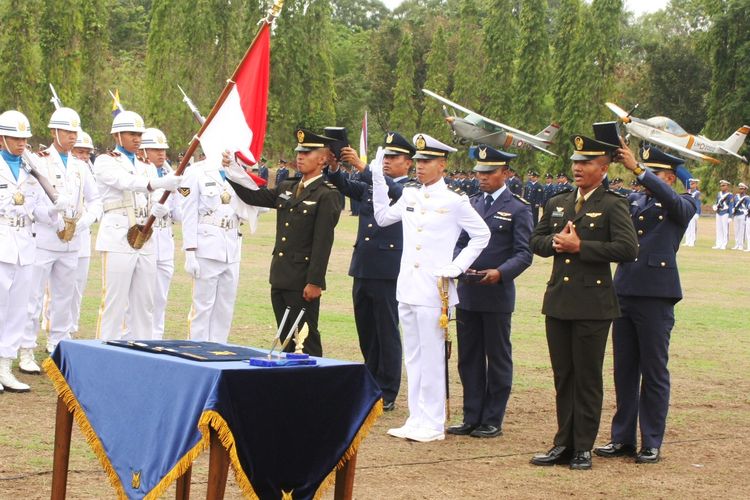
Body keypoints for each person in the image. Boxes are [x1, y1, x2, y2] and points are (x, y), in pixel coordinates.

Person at [372, 133, 490, 443]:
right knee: (413, 355)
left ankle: (434, 422)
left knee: (433, 356)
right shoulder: (410, 195)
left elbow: (481, 235)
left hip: (434, 290)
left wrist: (456, 266)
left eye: (427, 161)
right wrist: (376, 182)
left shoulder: (454, 201)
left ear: (442, 164)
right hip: (407, 287)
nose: (420, 166)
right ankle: (416, 418)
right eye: (419, 161)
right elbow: (383, 218)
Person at [529, 134, 638, 470]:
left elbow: (627, 249)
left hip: (593, 303)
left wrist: (582, 248)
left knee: (587, 377)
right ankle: (563, 443)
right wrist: (555, 243)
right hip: (559, 300)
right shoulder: (559, 201)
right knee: (564, 375)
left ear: (603, 169)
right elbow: (537, 239)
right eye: (575, 162)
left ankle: (583, 447)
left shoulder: (612, 204)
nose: (577, 168)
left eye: (586, 163)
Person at [595, 144, 695, 464]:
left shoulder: (685, 202)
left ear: (669, 178)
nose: (642, 182)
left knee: (653, 371)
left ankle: (651, 440)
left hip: (656, 294)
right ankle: (621, 438)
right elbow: (607, 197)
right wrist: (605, 164)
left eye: (654, 174)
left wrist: (639, 169)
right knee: (624, 370)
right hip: (624, 289)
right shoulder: (635, 200)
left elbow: (673, 202)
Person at [226, 129, 342, 356]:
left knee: (305, 338)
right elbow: (253, 197)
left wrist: (315, 282)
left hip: (302, 280)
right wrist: (232, 170)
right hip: (280, 275)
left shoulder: (327, 195)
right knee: (286, 336)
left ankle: (313, 387)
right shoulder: (287, 187)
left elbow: (323, 242)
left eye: (307, 152)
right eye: (299, 152)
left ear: (323, 159)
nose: (300, 156)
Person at [447, 145, 533, 439]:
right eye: (479, 171)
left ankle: (492, 418)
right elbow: (459, 243)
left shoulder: (518, 208)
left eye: (489, 172)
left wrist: (500, 273)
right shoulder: (470, 204)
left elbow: (524, 253)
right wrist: (459, 266)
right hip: (469, 292)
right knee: (468, 357)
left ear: (505, 173)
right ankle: (472, 415)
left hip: (496, 294)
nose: (481, 177)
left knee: (497, 358)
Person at [326, 131, 414, 411]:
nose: (387, 161)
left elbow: (395, 192)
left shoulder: (411, 187)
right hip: (364, 264)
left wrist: (367, 169)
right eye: (385, 156)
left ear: (409, 163)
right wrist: (335, 167)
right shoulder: (372, 183)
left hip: (389, 268)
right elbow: (345, 186)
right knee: (367, 328)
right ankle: (371, 381)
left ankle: (387, 389)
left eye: (394, 157)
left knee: (386, 330)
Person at [21, 108, 102, 369]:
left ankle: (58, 345)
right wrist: (53, 215)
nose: (72, 136)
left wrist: (84, 223)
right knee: (32, 297)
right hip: (44, 239)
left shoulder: (80, 166)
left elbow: (96, 200)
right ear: (54, 132)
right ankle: (26, 350)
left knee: (65, 298)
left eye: (74, 132)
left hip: (72, 242)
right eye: (67, 131)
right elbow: (31, 206)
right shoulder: (38, 161)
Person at [94, 111, 181, 340]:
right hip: (118, 235)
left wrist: (158, 208)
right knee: (114, 301)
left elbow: (152, 197)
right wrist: (157, 183)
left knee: (145, 302)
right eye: (131, 134)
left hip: (145, 237)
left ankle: (141, 349)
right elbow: (125, 182)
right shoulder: (105, 161)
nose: (136, 138)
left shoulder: (146, 164)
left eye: (139, 134)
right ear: (117, 135)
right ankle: (105, 352)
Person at [0, 111, 60, 392]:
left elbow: (35, 207)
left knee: (17, 309)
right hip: (1, 237)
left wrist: (54, 210)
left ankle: (5, 367)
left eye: (24, 137)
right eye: (15, 137)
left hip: (24, 241)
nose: (21, 142)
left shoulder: (29, 168)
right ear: (2, 138)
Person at [181, 150, 247, 343]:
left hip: (232, 247)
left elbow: (254, 207)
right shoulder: (196, 172)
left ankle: (218, 347)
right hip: (206, 247)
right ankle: (197, 349)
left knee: (225, 306)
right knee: (202, 306)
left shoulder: (237, 171)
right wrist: (190, 251)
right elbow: (189, 212)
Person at [140, 128, 181, 339]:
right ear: (144, 150)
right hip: (146, 238)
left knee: (160, 296)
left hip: (165, 239)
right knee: (142, 295)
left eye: (163, 149)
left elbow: (183, 208)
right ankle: (141, 336)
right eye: (156, 149)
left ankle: (156, 337)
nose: (161, 154)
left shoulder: (171, 175)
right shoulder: (138, 173)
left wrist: (172, 207)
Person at [68, 131, 97, 336]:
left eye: (87, 153)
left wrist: (87, 220)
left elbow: (97, 201)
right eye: (80, 151)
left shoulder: (90, 172)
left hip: (83, 235)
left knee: (78, 287)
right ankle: (54, 328)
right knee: (58, 289)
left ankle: (71, 328)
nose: (84, 156)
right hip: (61, 235)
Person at [712, 180, 733, 249]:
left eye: (723, 185)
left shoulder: (730, 195)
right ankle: (718, 243)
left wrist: (730, 216)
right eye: (721, 185)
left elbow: (731, 205)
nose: (722, 187)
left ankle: (724, 244)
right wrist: (715, 206)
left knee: (725, 229)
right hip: (718, 212)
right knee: (718, 229)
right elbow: (717, 202)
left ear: (727, 186)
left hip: (725, 213)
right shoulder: (719, 194)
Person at [683, 178, 701, 247]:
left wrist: (697, 213)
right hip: (688, 210)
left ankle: (692, 241)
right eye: (690, 183)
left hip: (694, 211)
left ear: (696, 184)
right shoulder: (688, 191)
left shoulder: (697, 193)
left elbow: (698, 203)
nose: (691, 185)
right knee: (687, 226)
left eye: (693, 183)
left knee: (693, 227)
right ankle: (687, 240)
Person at [731, 183, 748, 250]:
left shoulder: (746, 198)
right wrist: (732, 210)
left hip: (742, 215)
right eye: (740, 188)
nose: (741, 190)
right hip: (736, 215)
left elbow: (747, 206)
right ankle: (737, 244)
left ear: (745, 189)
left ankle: (741, 245)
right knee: (736, 230)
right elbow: (733, 204)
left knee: (742, 231)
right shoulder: (736, 197)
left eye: (742, 188)